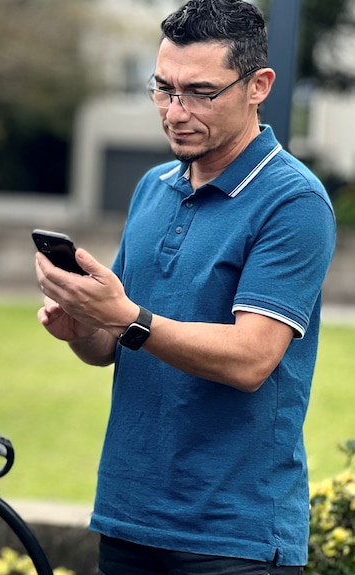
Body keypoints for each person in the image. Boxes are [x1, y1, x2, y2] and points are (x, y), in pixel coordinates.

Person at [35, 1, 336, 573]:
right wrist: (83, 326)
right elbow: (112, 346)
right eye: (163, 89)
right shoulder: (153, 187)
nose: (175, 111)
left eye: (200, 92)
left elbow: (252, 360)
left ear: (258, 86)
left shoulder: (293, 202)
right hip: (128, 517)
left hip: (232, 536)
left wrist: (126, 318)